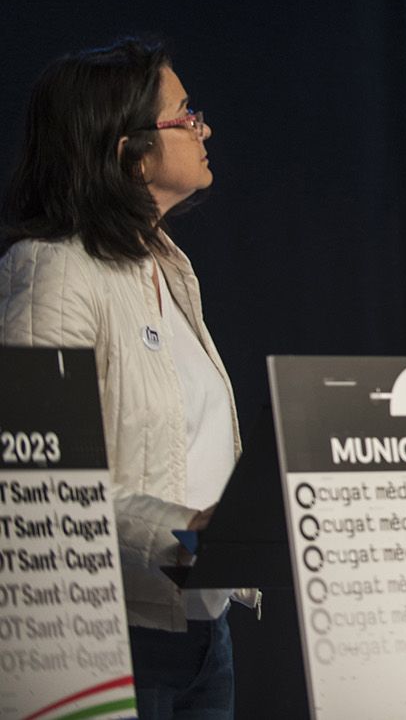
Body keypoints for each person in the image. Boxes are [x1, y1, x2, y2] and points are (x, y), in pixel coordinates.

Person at [0, 38, 245, 719]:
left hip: (203, 631)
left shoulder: (166, 267)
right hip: (109, 637)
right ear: (129, 152)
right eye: (186, 114)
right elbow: (39, 486)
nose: (204, 128)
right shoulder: (53, 272)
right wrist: (187, 533)